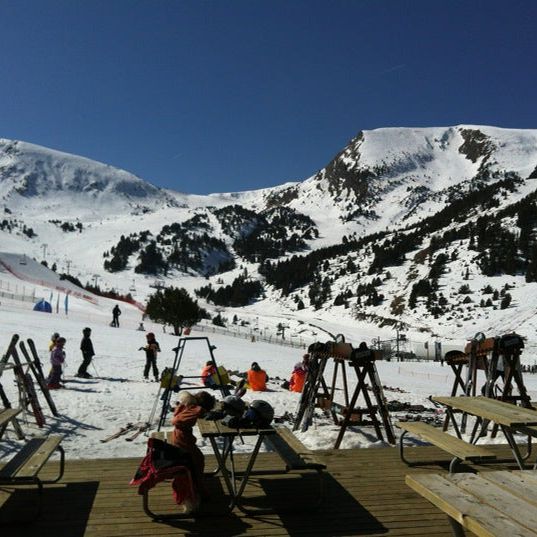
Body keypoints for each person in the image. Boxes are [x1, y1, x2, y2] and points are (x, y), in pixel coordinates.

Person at [171, 391, 216, 510]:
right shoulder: (196, 409)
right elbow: (177, 420)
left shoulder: (188, 406)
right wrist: (206, 413)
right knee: (197, 461)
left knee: (199, 458)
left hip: (179, 437)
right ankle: (199, 489)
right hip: (183, 441)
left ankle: (198, 486)